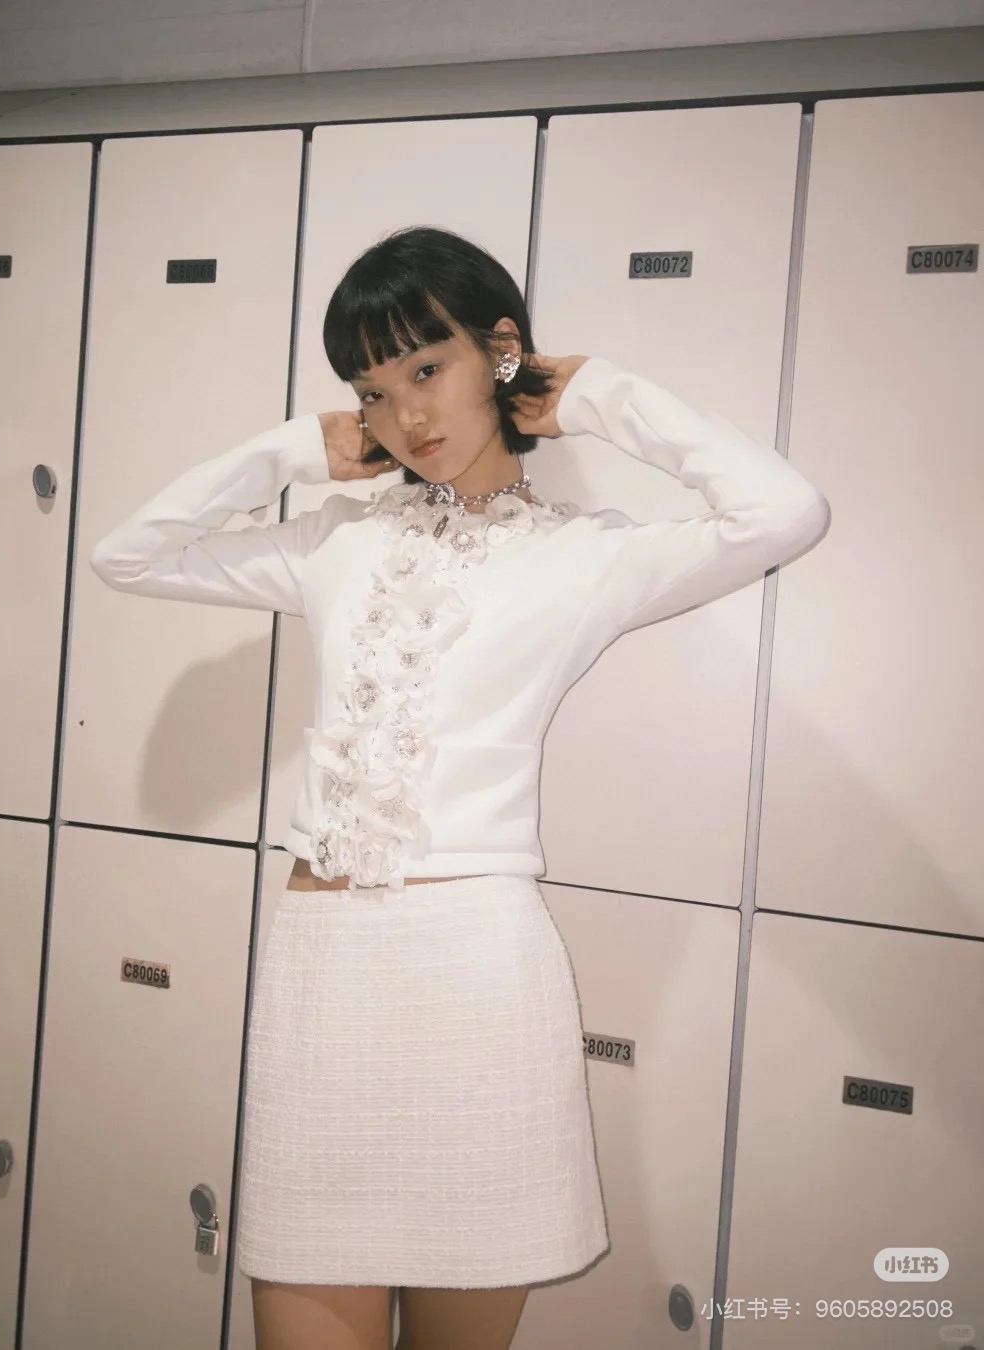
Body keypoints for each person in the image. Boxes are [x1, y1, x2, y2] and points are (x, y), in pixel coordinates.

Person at [90, 226, 831, 1350]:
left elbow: (784, 511)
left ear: (500, 352)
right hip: (323, 984)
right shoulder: (333, 544)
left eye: (426, 369)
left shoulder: (585, 557)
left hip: (477, 985)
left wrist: (601, 397)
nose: (406, 417)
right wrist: (292, 451)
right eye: (372, 393)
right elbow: (127, 555)